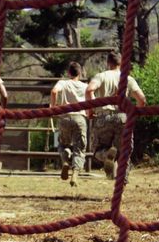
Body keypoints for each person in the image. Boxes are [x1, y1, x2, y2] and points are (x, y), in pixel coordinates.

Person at [85, 51, 146, 179]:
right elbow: (142, 99)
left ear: (108, 63)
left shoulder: (101, 76)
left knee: (97, 150)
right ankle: (122, 183)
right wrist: (133, 115)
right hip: (122, 117)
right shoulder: (128, 78)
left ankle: (107, 154)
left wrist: (91, 110)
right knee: (124, 153)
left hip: (103, 117)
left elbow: (89, 90)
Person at [49, 62, 87, 187]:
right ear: (80, 73)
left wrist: (53, 107)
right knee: (79, 148)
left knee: (62, 143)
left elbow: (54, 91)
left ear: (68, 73)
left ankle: (65, 161)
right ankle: (75, 174)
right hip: (80, 118)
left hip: (64, 117)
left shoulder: (63, 83)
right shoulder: (85, 86)